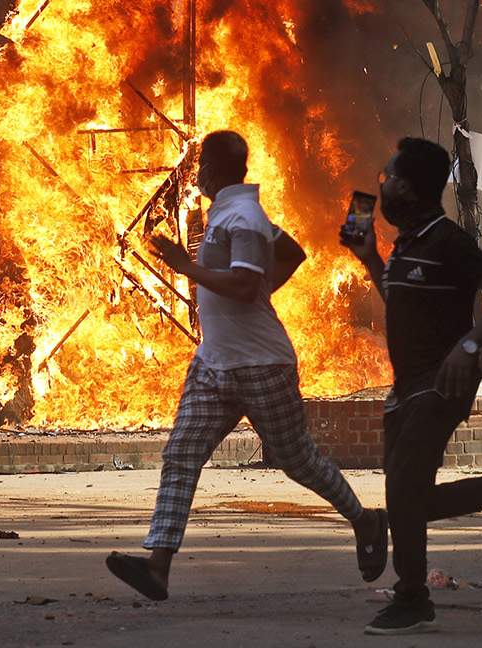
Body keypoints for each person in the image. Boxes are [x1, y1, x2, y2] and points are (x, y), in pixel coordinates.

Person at [106, 131, 388, 601]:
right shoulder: (231, 213)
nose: (195, 175)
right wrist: (261, 291)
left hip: (261, 364)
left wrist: (185, 266)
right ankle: (158, 566)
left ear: (214, 171)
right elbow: (292, 253)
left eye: (200, 167)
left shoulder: (244, 218)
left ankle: (366, 520)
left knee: (298, 460)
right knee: (181, 453)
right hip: (215, 362)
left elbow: (239, 285)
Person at [342, 136, 482, 636]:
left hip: (442, 383)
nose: (383, 185)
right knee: (408, 502)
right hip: (407, 387)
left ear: (412, 188)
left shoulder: (448, 241)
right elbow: (401, 302)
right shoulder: (408, 245)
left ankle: (412, 597)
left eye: (390, 178)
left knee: (402, 491)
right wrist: (371, 258)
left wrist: (469, 345)